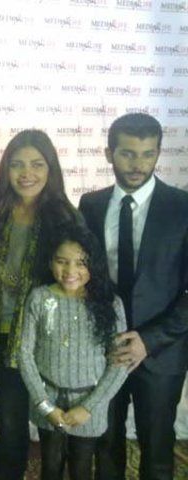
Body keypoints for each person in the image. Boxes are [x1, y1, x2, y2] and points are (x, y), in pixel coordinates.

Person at [79, 113, 188, 480]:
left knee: (157, 451)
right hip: (104, 349)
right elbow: (83, 280)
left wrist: (149, 340)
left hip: (161, 354)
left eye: (148, 154)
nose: (138, 164)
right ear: (109, 154)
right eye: (127, 153)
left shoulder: (182, 207)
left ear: (158, 153)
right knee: (105, 445)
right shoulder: (91, 205)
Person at [0, 129, 79, 480]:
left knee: (11, 420)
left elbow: (76, 282)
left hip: (28, 339)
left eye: (36, 164)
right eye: (17, 164)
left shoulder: (65, 218)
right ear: (6, 169)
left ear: (51, 169)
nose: (26, 173)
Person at [18, 225, 128, 480]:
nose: (70, 271)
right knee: (50, 466)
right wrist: (46, 406)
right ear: (50, 262)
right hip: (49, 402)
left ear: (94, 265)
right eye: (62, 261)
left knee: (81, 468)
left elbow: (120, 364)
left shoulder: (111, 303)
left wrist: (87, 408)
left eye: (81, 263)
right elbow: (25, 354)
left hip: (90, 406)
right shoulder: (39, 298)